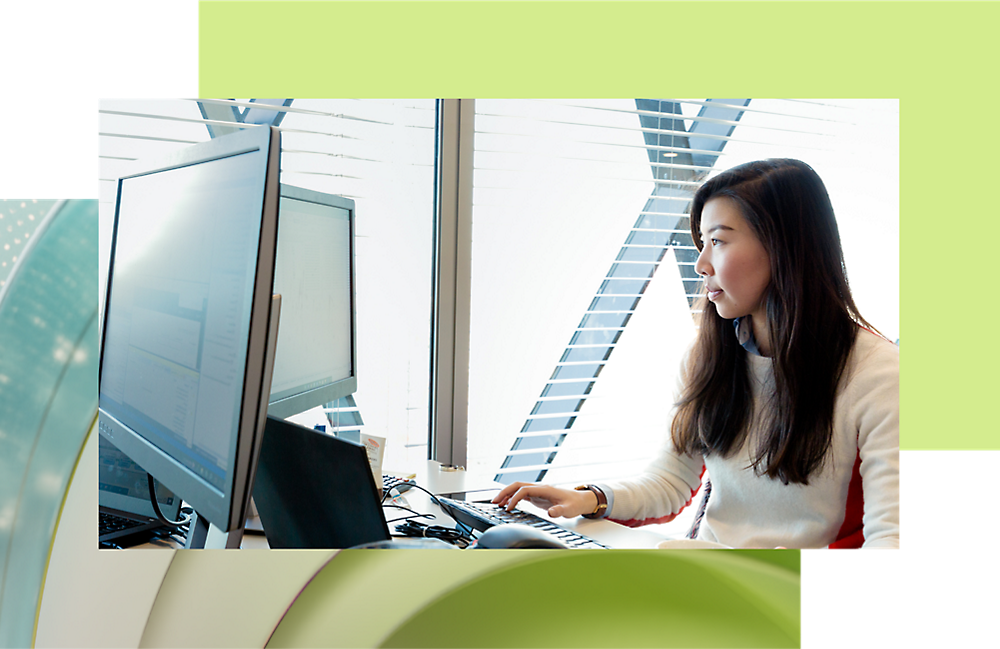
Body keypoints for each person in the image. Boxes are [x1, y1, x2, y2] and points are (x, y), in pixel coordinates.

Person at [492, 159, 899, 550]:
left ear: (783, 247)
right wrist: (590, 499)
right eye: (701, 243)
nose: (701, 263)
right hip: (709, 578)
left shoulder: (878, 374)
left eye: (718, 241)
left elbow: (892, 541)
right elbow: (670, 483)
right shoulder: (708, 357)